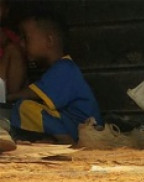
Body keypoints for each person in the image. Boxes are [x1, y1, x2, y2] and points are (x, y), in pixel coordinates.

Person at [8, 12, 101, 144]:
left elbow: (32, 94)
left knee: (23, 106)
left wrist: (8, 97)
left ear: (49, 41)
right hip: (72, 124)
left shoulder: (65, 67)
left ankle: (65, 140)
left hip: (84, 129)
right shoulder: (60, 68)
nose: (21, 44)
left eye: (26, 38)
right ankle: (54, 139)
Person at [0, 0, 27, 99]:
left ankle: (12, 99)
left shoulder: (9, 36)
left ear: (5, 11)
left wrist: (6, 42)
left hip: (7, 89)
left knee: (13, 49)